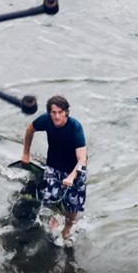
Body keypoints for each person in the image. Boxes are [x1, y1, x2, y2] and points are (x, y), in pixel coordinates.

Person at [20, 95, 87, 246]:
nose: (56, 116)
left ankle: (67, 229)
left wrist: (71, 177)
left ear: (66, 112)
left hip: (75, 168)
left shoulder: (75, 128)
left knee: (73, 206)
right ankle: (56, 216)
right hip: (54, 165)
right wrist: (26, 154)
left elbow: (82, 159)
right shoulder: (46, 120)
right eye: (53, 112)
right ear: (49, 112)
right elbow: (30, 129)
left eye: (60, 112)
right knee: (50, 200)